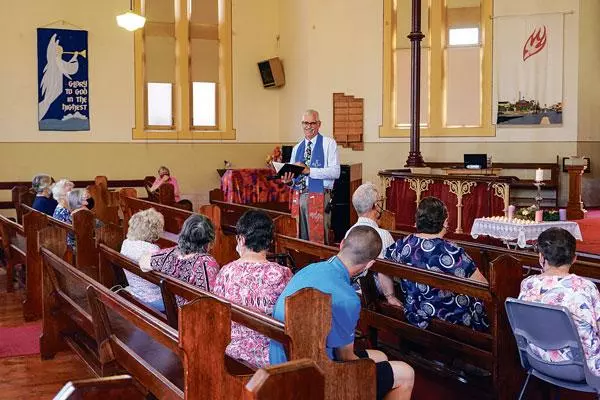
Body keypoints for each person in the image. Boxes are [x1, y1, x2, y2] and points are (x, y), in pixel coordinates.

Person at [269, 226, 414, 400]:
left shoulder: (308, 269)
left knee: (380, 356)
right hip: (319, 377)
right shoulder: (347, 298)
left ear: (342, 244)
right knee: (406, 373)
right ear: (370, 264)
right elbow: (344, 357)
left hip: (284, 365)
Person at [385, 196, 489, 331]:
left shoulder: (404, 244)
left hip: (415, 314)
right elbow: (484, 286)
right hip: (451, 321)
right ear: (445, 222)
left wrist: (390, 296)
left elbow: (382, 262)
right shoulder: (452, 252)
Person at [212, 210, 292, 368]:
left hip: (230, 349)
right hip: (268, 356)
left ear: (241, 239)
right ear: (269, 242)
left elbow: (216, 312)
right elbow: (291, 317)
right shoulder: (281, 273)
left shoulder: (226, 271)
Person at [519, 227, 600, 375]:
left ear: (541, 257)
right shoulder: (587, 288)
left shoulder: (527, 284)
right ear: (574, 258)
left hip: (537, 359)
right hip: (581, 368)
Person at [281, 109, 340, 244]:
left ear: (319, 124)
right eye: (305, 123)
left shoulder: (329, 144)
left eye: (312, 123)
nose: (308, 126)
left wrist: (310, 171)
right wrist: (288, 181)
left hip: (320, 196)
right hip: (299, 196)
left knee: (319, 240)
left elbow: (335, 172)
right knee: (301, 238)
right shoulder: (297, 148)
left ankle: (320, 264)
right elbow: (293, 178)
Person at [140, 214, 220, 304]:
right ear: (210, 240)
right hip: (192, 315)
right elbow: (211, 301)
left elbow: (142, 264)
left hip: (173, 311)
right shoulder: (207, 263)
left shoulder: (170, 254)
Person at [345, 182, 401, 306]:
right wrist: (390, 297)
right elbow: (387, 269)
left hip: (351, 287)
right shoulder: (382, 235)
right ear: (376, 206)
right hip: (372, 293)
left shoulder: (349, 232)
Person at [120, 208, 165, 311]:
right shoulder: (152, 249)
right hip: (154, 300)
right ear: (153, 229)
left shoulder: (126, 243)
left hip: (135, 291)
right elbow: (165, 277)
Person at [52, 180, 76, 248]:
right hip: (69, 247)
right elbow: (74, 234)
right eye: (70, 191)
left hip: (73, 243)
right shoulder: (62, 212)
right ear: (62, 196)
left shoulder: (67, 208)